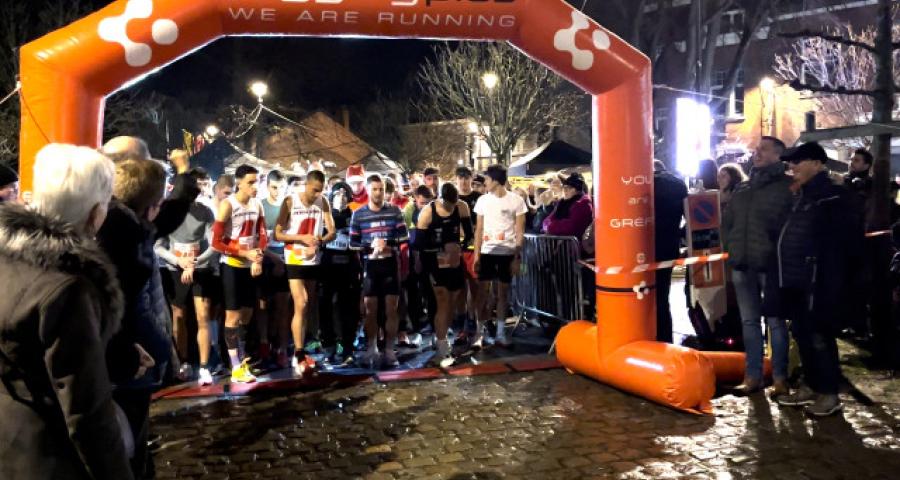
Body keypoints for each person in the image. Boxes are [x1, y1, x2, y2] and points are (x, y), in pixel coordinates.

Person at [0, 145, 137, 480]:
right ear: (95, 215)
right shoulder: (66, 288)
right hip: (45, 453)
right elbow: (85, 408)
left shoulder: (7, 257)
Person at [100, 158, 177, 479]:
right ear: (152, 206)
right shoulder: (129, 237)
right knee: (130, 447)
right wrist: (163, 350)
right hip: (134, 359)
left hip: (119, 356)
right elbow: (138, 307)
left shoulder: (115, 226)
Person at [775, 142, 863, 417]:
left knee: (819, 336)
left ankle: (829, 393)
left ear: (817, 163)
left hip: (819, 283)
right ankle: (812, 385)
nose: (792, 167)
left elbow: (844, 246)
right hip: (797, 281)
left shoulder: (833, 197)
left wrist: (834, 281)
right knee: (802, 334)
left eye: (797, 162)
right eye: (790, 163)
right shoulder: (802, 196)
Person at [721, 136, 793, 397]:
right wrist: (730, 249)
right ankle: (752, 377)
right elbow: (727, 223)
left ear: (777, 155)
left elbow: (790, 227)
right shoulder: (743, 188)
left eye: (763, 149)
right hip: (742, 264)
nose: (757, 152)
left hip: (771, 266)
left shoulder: (787, 188)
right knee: (749, 322)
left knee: (776, 322)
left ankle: (780, 378)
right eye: (756, 149)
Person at [154, 167, 218, 386]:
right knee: (179, 316)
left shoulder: (206, 212)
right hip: (175, 268)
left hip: (200, 268)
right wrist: (178, 261)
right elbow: (158, 246)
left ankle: (204, 366)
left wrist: (194, 262)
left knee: (202, 315)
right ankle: (183, 362)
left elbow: (214, 244)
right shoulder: (167, 212)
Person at [211, 165, 268, 384]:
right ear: (239, 183)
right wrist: (245, 253)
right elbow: (216, 242)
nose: (255, 186)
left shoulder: (257, 204)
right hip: (232, 266)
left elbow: (262, 235)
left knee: (247, 314)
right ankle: (235, 365)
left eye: (257, 181)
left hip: (250, 265)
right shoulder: (228, 205)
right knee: (232, 316)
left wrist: (258, 257)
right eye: (251, 182)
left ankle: (241, 357)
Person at [275, 170, 335, 376]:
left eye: (320, 190)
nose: (317, 194)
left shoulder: (323, 202)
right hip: (294, 257)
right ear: (306, 185)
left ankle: (302, 347)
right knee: (301, 302)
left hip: (313, 258)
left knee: (308, 306)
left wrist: (319, 242)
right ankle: (298, 353)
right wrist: (301, 238)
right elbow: (277, 234)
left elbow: (332, 231)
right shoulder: (290, 201)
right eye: (314, 190)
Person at [350, 175, 409, 368]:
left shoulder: (394, 211)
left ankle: (390, 349)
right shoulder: (358, 214)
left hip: (390, 264)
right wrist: (371, 245)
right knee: (370, 310)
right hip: (371, 265)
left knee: (391, 309)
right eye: (375, 189)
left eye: (381, 189)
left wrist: (388, 243)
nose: (378, 193)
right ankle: (372, 347)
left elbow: (404, 236)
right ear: (368, 190)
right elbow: (353, 243)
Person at [416, 183, 474, 366]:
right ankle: (441, 347)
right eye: (448, 205)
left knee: (452, 302)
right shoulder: (428, 212)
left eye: (453, 204)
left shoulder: (461, 207)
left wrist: (459, 247)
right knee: (443, 301)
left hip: (453, 261)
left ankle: (444, 338)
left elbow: (469, 234)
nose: (451, 208)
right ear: (440, 199)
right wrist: (441, 249)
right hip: (434, 261)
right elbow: (419, 244)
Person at [473, 164, 527, 348]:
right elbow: (479, 229)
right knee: (482, 293)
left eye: (487, 179)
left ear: (495, 181)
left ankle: (501, 333)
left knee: (503, 294)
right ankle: (479, 333)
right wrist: (476, 256)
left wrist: (517, 257)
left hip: (507, 253)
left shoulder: (516, 200)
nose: (485, 183)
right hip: (487, 252)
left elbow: (520, 230)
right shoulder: (482, 201)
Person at [319, 182, 362, 366]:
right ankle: (328, 346)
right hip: (327, 268)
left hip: (349, 267)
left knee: (349, 309)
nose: (341, 197)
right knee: (325, 307)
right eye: (337, 194)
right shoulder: (323, 216)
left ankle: (347, 348)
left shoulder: (355, 216)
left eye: (345, 194)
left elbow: (361, 241)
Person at [259, 170, 292, 368]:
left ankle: (281, 348)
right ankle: (264, 345)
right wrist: (273, 258)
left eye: (281, 187)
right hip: (265, 261)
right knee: (263, 306)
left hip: (285, 259)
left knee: (282, 306)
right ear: (267, 186)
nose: (277, 191)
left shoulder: (289, 206)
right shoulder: (260, 206)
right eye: (274, 187)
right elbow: (256, 239)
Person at [653, 160, 688, 343]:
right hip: (669, 246)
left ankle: (650, 338)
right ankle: (665, 339)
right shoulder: (679, 185)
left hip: (645, 246)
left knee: (645, 297)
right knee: (662, 297)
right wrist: (679, 234)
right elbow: (689, 217)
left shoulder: (646, 183)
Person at [403, 185, 437, 336]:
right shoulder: (409, 211)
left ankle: (433, 323)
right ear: (416, 199)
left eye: (428, 203)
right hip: (413, 254)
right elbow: (410, 235)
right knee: (413, 291)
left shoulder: (434, 209)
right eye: (422, 203)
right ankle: (415, 323)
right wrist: (415, 258)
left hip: (430, 254)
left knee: (430, 292)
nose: (425, 206)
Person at [455, 167, 482, 344]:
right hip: (456, 250)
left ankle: (477, 326)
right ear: (456, 180)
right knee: (459, 290)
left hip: (473, 249)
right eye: (461, 178)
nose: (464, 181)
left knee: (476, 288)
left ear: (471, 179)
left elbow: (481, 223)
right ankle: (463, 326)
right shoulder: (451, 198)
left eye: (467, 178)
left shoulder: (479, 198)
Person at [542, 173, 593, 238]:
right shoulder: (562, 203)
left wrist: (550, 226)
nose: (565, 190)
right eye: (564, 187)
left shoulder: (583, 203)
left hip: (573, 243)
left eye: (570, 188)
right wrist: (549, 226)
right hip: (561, 242)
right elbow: (546, 221)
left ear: (578, 190)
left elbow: (572, 227)